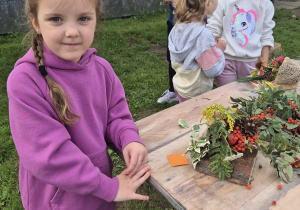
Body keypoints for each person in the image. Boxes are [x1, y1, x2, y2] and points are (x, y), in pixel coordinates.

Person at [7, 0, 150, 209]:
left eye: (83, 18)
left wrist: (128, 139)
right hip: (58, 202)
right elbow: (50, 156)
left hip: (100, 196)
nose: (72, 32)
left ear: (95, 19)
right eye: (56, 19)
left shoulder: (102, 70)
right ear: (35, 22)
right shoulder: (25, 81)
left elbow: (116, 116)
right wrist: (108, 188)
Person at [206, 0, 275, 87]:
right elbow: (213, 31)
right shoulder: (222, 1)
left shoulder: (266, 4)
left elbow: (266, 36)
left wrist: (264, 66)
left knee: (249, 97)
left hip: (252, 64)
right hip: (225, 62)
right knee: (226, 97)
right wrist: (214, 62)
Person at [169, 0, 227, 103]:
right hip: (197, 92)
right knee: (197, 118)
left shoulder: (176, 29)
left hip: (181, 87)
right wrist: (219, 50)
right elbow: (213, 70)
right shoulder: (203, 34)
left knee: (185, 116)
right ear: (208, 2)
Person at [157, 0, 179, 103]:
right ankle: (173, 90)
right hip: (173, 21)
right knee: (171, 57)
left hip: (192, 22)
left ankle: (186, 92)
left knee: (189, 58)